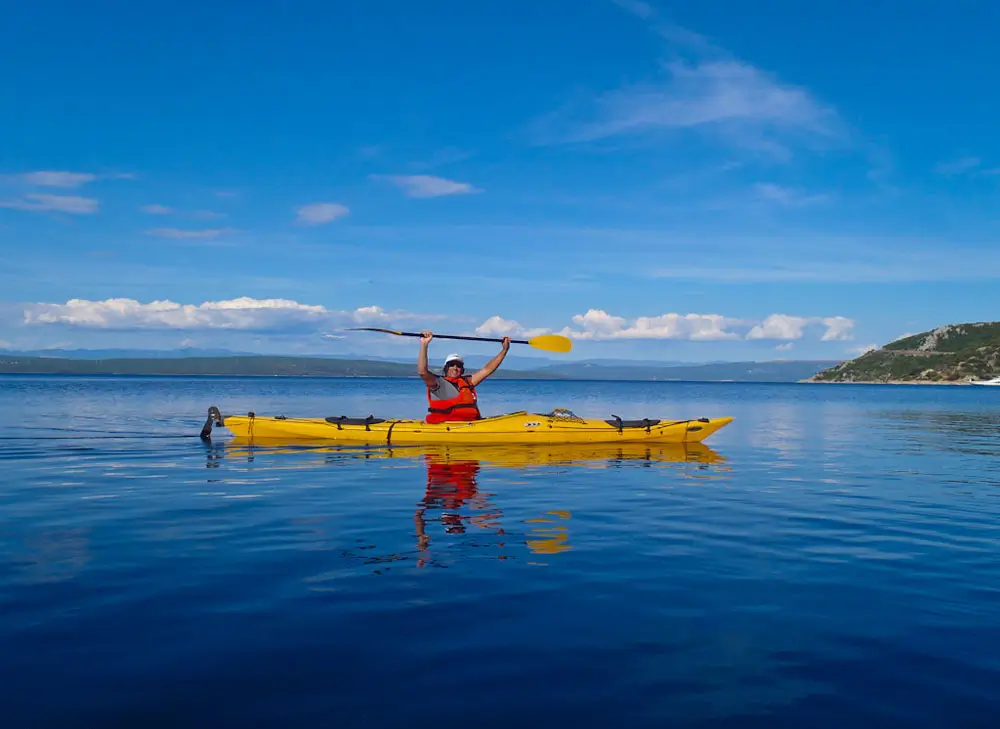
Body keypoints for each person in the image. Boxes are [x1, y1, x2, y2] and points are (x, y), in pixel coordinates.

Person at [417, 330, 510, 423]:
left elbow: (487, 370)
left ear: (462, 369)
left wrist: (504, 350)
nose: (455, 368)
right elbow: (422, 371)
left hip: (471, 425)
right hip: (447, 428)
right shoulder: (437, 383)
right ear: (445, 368)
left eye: (458, 366)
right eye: (451, 365)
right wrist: (424, 344)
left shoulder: (467, 381)